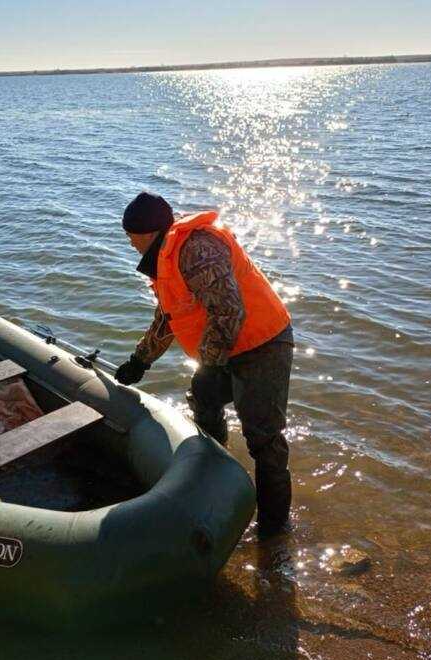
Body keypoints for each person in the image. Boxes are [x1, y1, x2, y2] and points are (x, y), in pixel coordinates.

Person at [114, 192, 296, 537]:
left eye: (130, 236)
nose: (128, 243)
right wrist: (139, 360)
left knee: (263, 438)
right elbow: (168, 318)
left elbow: (229, 310)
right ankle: (219, 484)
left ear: (148, 233)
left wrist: (210, 368)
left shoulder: (197, 249)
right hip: (226, 346)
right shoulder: (166, 258)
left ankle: (274, 530)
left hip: (263, 344)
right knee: (204, 402)